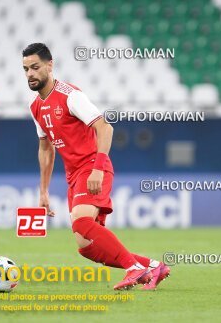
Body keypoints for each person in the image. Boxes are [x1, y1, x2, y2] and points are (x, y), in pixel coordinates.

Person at [23, 43, 170, 290]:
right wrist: (44, 191)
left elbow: (105, 127)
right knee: (87, 247)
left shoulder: (70, 96)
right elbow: (46, 148)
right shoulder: (35, 107)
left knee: (81, 223)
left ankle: (134, 269)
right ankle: (153, 266)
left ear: (50, 65)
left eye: (35, 67)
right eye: (26, 69)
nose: (30, 74)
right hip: (74, 175)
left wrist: (98, 168)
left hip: (91, 167)